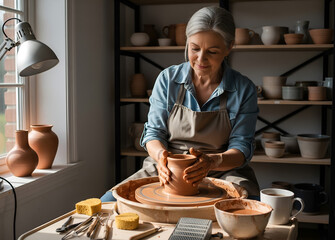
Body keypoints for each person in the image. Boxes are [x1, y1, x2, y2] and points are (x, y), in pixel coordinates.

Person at [101, 6, 259, 202]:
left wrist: (212, 162)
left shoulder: (243, 89)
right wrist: (161, 158)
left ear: (229, 48)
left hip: (222, 170)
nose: (201, 59)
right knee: (107, 202)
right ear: (187, 43)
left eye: (212, 51)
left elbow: (242, 148)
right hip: (166, 167)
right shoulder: (168, 79)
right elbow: (153, 133)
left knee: (250, 211)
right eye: (194, 49)